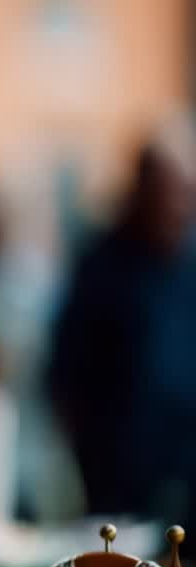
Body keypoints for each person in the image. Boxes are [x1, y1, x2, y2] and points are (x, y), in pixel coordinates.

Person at [49, 134, 196, 530]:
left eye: (187, 192)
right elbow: (65, 370)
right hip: (119, 478)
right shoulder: (101, 264)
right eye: (169, 192)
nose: (180, 206)